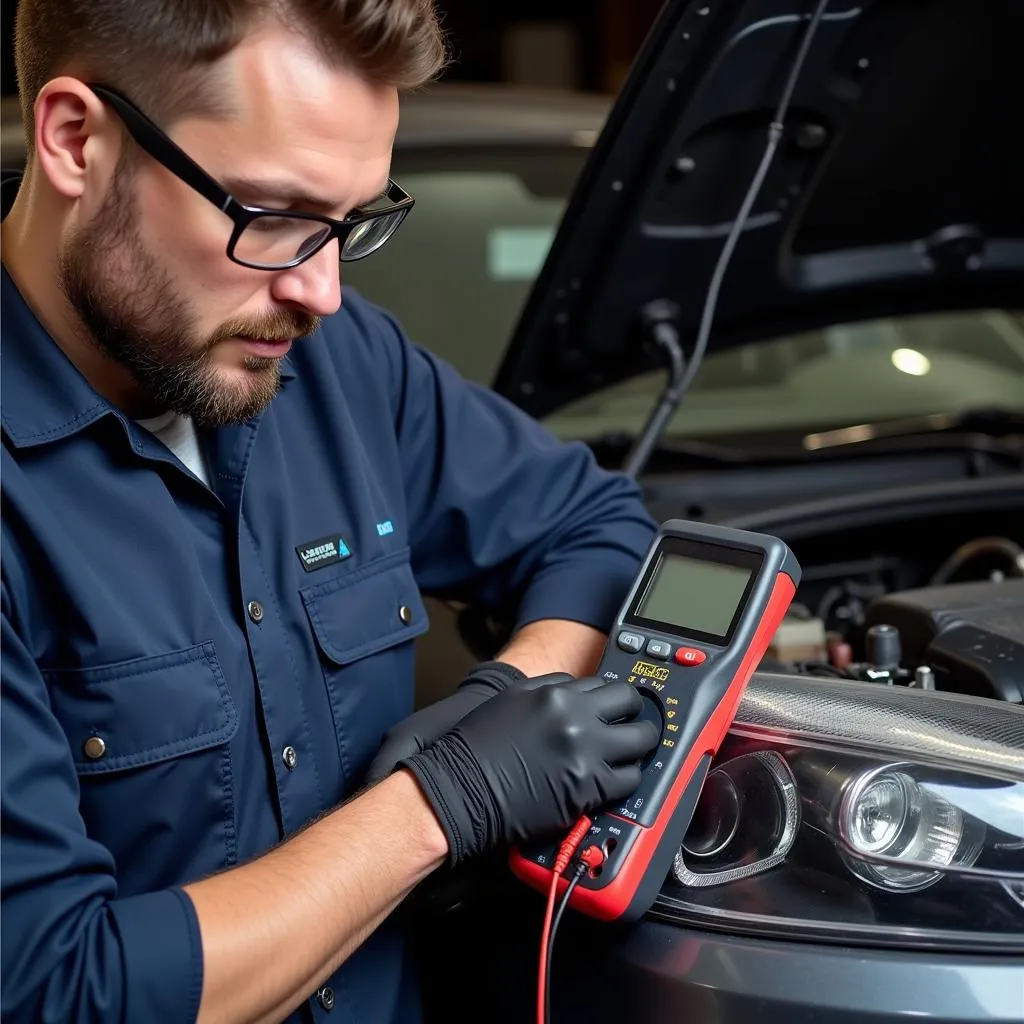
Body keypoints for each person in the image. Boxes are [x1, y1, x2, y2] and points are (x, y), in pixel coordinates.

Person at [0, 2, 662, 1022]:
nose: (322, 291)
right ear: (77, 141)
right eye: (270, 217)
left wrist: (502, 699)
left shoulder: (343, 367)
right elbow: (60, 990)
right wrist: (440, 805)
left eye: (352, 223)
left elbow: (599, 531)